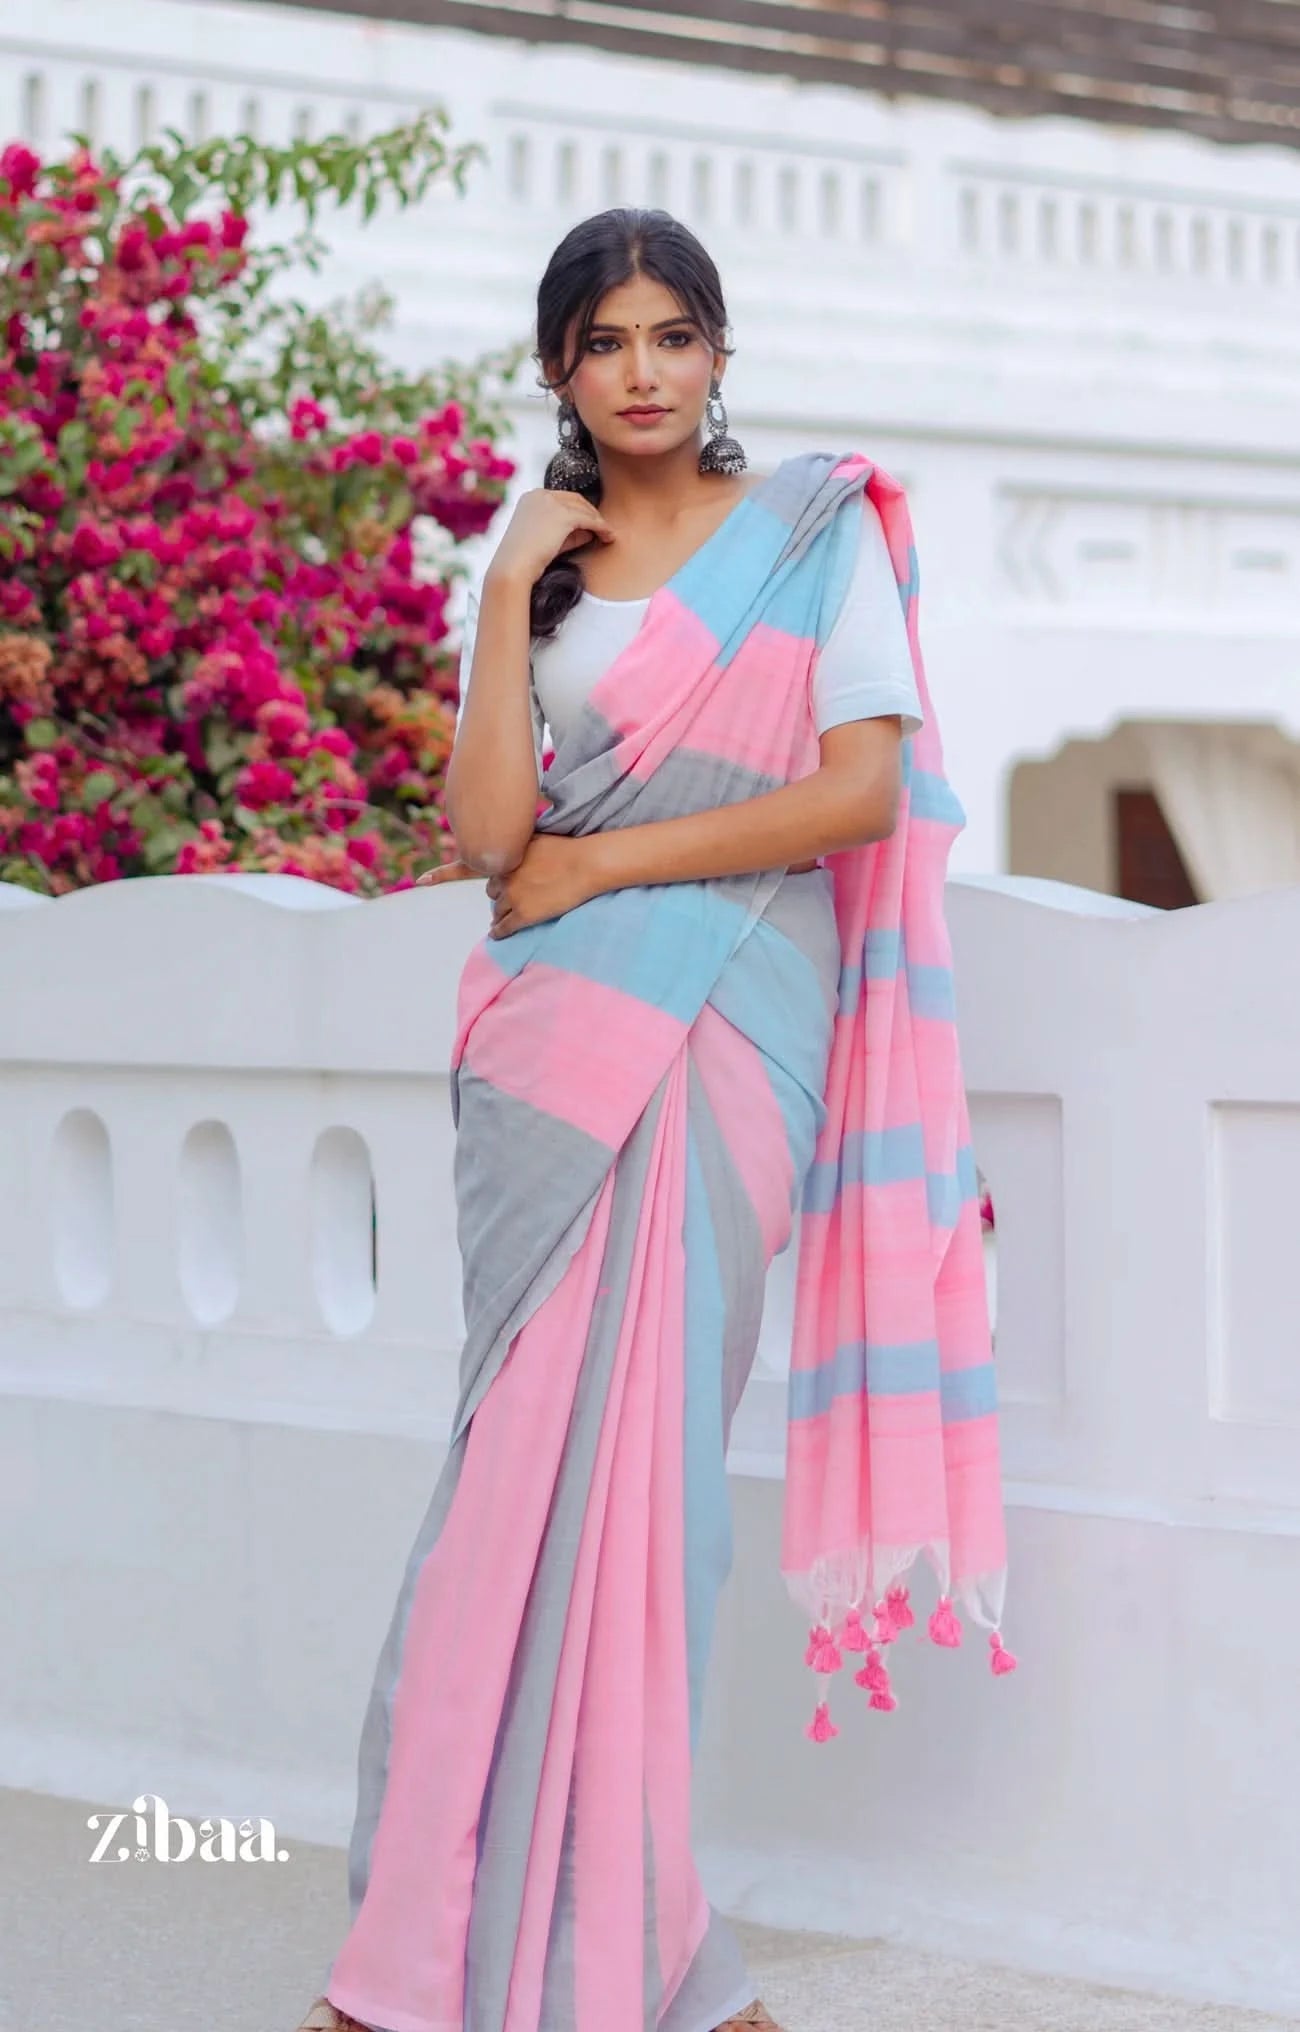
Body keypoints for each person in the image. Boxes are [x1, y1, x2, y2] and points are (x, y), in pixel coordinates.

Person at [296, 205, 1012, 2032]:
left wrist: (615, 859)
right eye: (602, 341)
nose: (638, 370)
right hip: (548, 1062)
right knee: (503, 1509)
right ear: (557, 368)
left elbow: (859, 797)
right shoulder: (547, 567)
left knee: (651, 1518)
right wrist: (494, 589)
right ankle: (420, 1960)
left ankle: (636, 1945)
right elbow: (484, 842)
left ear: (715, 356)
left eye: (670, 336)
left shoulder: (812, 537)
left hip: (728, 1044)